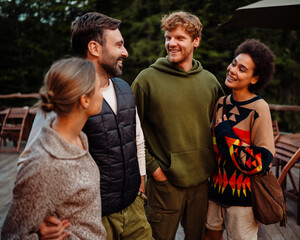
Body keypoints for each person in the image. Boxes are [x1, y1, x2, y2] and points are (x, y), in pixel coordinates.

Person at [17, 12, 153, 240]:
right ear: (95, 48)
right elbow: (28, 163)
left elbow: (136, 138)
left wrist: (140, 183)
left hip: (134, 210)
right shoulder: (66, 96)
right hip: (91, 220)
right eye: (119, 44)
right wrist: (39, 219)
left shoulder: (124, 87)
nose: (125, 52)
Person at [131, 11, 224, 240]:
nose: (171, 43)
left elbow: (223, 125)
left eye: (179, 38)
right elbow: (130, 130)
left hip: (201, 182)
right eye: (168, 37)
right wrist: (155, 170)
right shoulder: (146, 80)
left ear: (196, 41)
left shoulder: (210, 81)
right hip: (165, 183)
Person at [1, 57, 106, 239]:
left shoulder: (77, 138)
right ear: (84, 101)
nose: (102, 94)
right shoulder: (45, 165)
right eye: (98, 89)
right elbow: (11, 234)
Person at [205, 39, 276, 240]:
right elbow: (212, 148)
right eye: (234, 63)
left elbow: (260, 162)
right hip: (214, 192)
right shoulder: (220, 103)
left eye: (242, 69)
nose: (233, 70)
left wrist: (225, 132)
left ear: (254, 79)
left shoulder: (259, 108)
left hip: (243, 201)